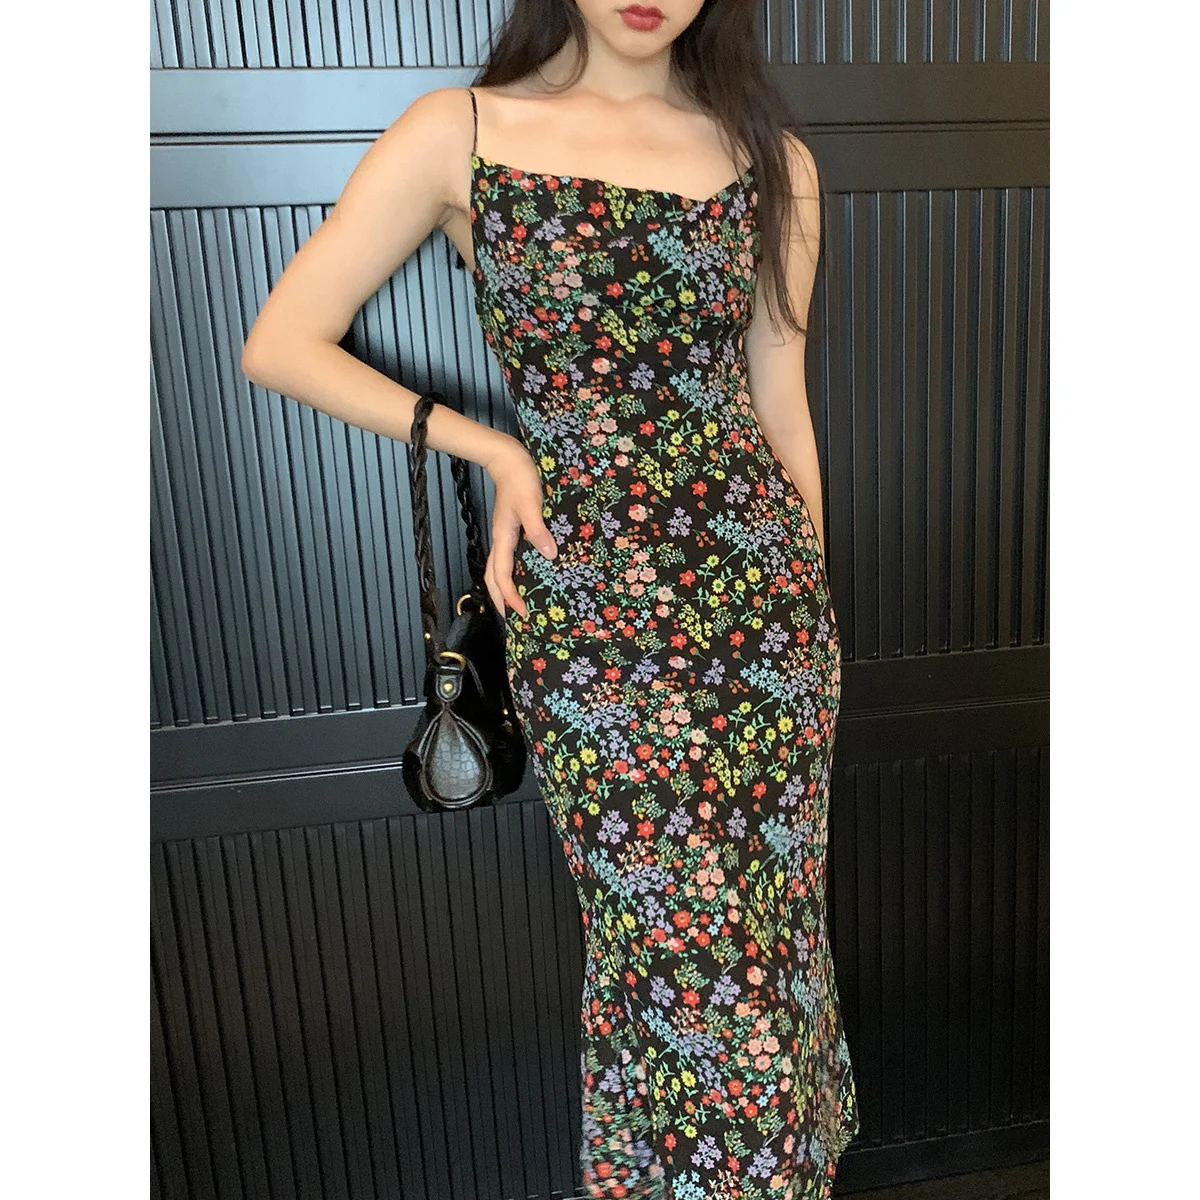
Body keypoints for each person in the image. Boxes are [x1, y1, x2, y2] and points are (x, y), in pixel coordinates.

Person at [242, 2, 860, 1195]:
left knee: (772, 947)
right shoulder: (461, 132)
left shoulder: (774, 161)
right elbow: (282, 341)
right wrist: (490, 446)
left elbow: (782, 412)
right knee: (665, 957)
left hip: (767, 634)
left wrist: (814, 623)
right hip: (596, 629)